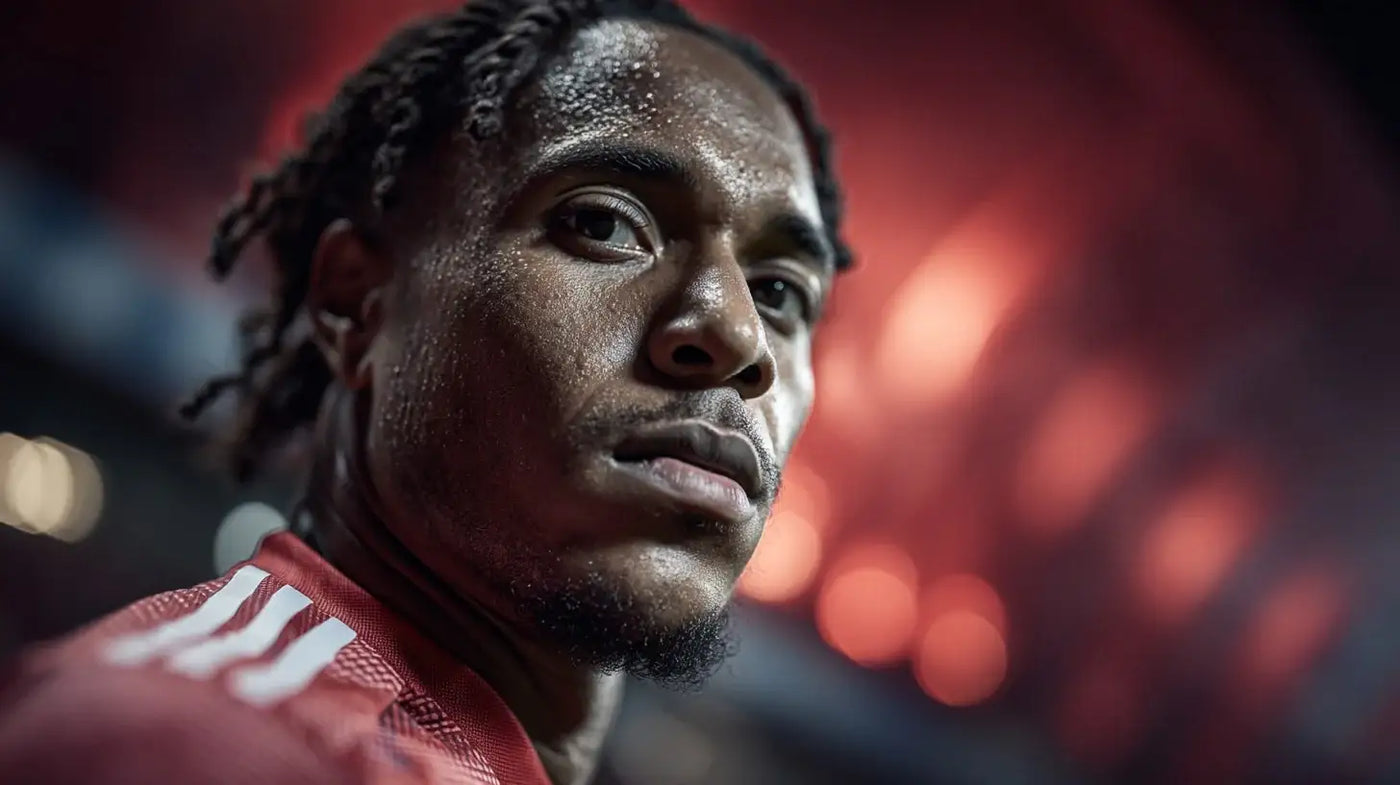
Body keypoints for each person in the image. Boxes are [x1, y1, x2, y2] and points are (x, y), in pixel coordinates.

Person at [0, 0, 851, 782]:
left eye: (780, 292)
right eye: (603, 224)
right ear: (355, 304)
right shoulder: (208, 747)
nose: (740, 337)